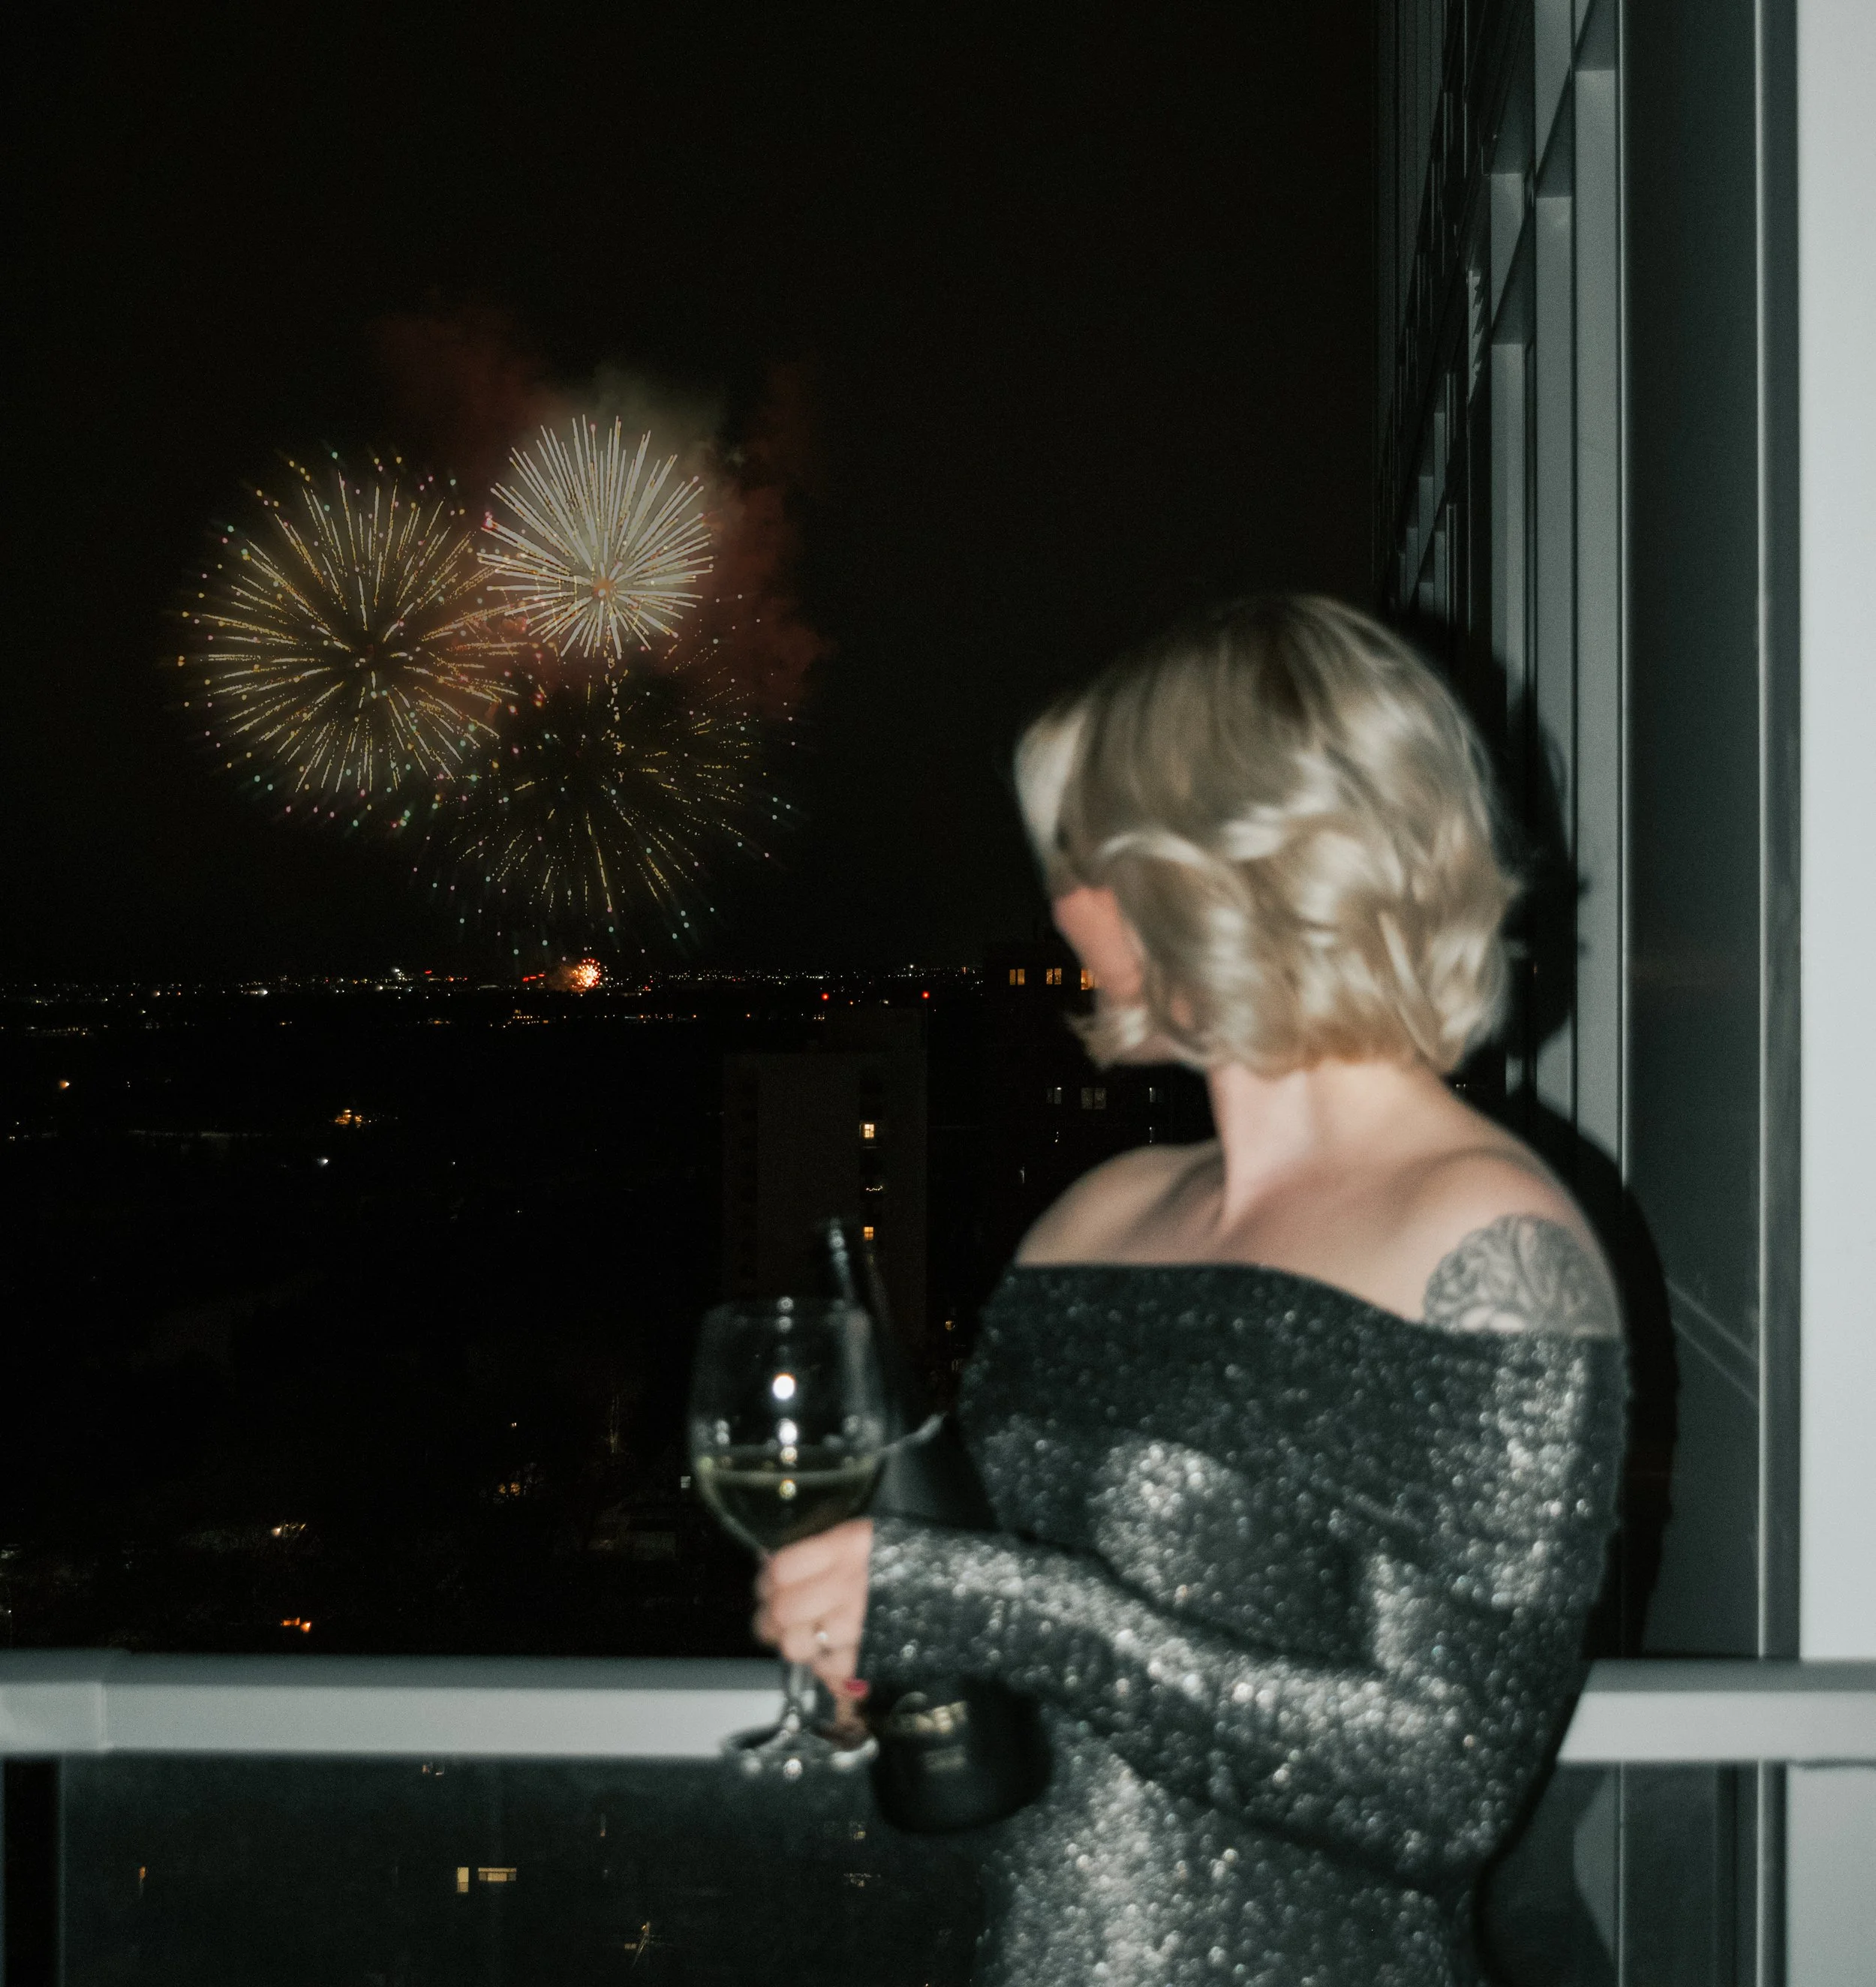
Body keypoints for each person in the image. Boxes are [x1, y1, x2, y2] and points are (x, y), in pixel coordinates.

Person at [756, 595, 1626, 1985]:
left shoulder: (1485, 1240)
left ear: (1218, 866)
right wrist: (886, 1658)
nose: (1059, 904)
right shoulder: (1095, 1214)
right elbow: (985, 1632)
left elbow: (1450, 1788)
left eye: (1082, 855)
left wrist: (990, 1606)